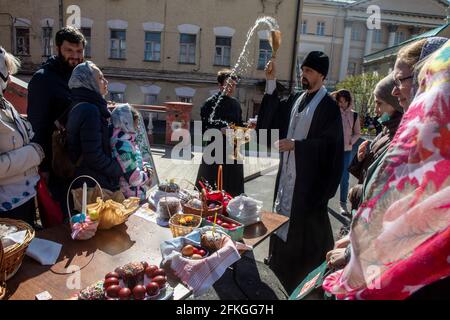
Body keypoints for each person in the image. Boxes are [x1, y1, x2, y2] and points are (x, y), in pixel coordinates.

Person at [323, 40, 450, 300]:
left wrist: (352, 253)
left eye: (401, 78)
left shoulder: (431, 150)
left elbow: (407, 231)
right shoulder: (421, 139)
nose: (395, 90)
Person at [256, 51, 344, 293]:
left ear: (322, 75)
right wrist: (271, 81)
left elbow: (330, 148)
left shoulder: (329, 108)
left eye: (310, 72)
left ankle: (297, 283)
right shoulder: (297, 99)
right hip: (286, 179)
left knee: (300, 237)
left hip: (307, 188)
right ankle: (278, 270)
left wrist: (298, 145)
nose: (304, 75)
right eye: (303, 70)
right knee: (281, 225)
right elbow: (272, 119)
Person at [27, 26, 86, 211]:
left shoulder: (80, 75)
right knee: (59, 213)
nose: (75, 56)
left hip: (77, 161)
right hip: (55, 163)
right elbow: (37, 126)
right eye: (69, 50)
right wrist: (43, 168)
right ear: (57, 49)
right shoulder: (42, 79)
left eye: (79, 51)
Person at [0, 48, 44, 226]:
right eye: (6, 71)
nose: (9, 79)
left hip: (25, 199)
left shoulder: (6, 105)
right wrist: (34, 153)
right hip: (7, 209)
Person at [347, 73, 403, 213]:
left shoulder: (399, 136)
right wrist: (361, 158)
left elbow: (388, 190)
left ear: (394, 103)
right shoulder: (386, 130)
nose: (376, 111)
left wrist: (358, 192)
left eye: (379, 103)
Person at [66, 61, 122, 191]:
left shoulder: (80, 104)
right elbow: (93, 156)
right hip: (92, 182)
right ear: (88, 82)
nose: (106, 81)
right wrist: (118, 169)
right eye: (100, 78)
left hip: (86, 177)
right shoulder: (90, 110)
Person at [195, 69, 245, 197]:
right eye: (228, 84)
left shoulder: (236, 105)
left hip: (232, 153)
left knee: (232, 192)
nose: (231, 87)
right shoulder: (209, 104)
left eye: (234, 85)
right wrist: (219, 130)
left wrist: (247, 127)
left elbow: (239, 127)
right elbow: (203, 130)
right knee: (210, 191)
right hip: (214, 153)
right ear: (220, 85)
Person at [111, 104, 154, 202]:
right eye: (136, 123)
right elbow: (134, 179)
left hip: (135, 194)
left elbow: (138, 160)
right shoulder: (122, 144)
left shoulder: (128, 140)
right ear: (126, 122)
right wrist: (148, 175)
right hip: (128, 198)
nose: (138, 127)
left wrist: (146, 167)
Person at [335, 89, 360, 215]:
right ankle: (321, 200)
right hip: (333, 150)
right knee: (328, 174)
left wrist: (351, 141)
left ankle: (343, 204)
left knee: (344, 178)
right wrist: (337, 92)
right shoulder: (333, 113)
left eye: (344, 102)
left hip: (346, 151)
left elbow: (357, 133)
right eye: (339, 102)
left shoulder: (354, 115)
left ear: (349, 101)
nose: (342, 105)